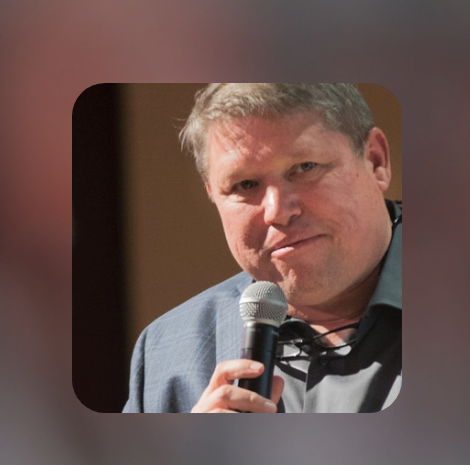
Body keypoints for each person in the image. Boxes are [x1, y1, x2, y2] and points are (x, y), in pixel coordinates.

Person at [123, 83, 401, 413]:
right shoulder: (165, 352)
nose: (277, 211)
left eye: (305, 167)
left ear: (375, 161)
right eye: (245, 185)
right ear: (213, 194)